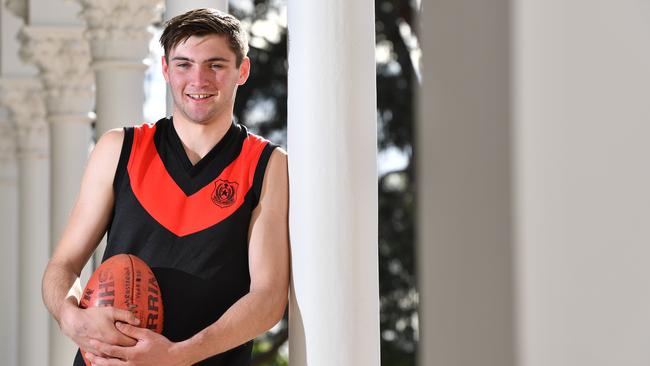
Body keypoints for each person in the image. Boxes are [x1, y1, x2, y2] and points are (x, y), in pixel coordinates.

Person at [41, 8, 289, 366]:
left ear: (242, 71)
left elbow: (268, 298)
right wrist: (71, 317)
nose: (199, 79)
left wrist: (178, 356)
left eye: (215, 65)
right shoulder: (119, 149)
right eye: (184, 64)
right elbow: (62, 266)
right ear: (165, 69)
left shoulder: (266, 164)